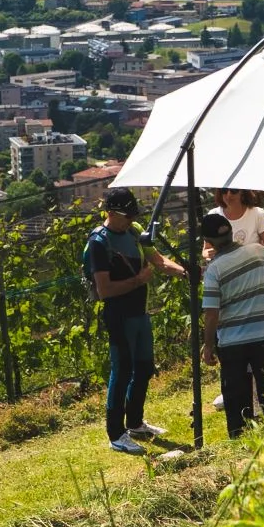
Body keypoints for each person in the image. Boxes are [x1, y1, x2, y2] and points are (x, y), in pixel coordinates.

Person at [83, 187, 186, 456]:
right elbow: (104, 289)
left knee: (144, 367)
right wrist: (138, 281)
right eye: (126, 215)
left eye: (132, 215)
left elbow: (158, 260)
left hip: (140, 312)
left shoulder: (134, 230)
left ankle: (136, 423)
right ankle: (116, 434)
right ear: (110, 212)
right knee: (122, 371)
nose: (130, 219)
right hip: (118, 315)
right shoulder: (99, 242)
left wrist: (185, 271)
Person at [199, 211, 264, 438]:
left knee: (236, 399)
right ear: (231, 231)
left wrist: (208, 346)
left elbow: (211, 313)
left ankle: (239, 439)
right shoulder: (258, 251)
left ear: (208, 241)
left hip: (232, 343)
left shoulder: (214, 269)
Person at [217, 188, 264, 255]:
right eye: (224, 190)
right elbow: (206, 250)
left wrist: (250, 254)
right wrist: (209, 253)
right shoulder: (213, 215)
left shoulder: (258, 214)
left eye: (234, 190)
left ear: (242, 191)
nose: (229, 194)